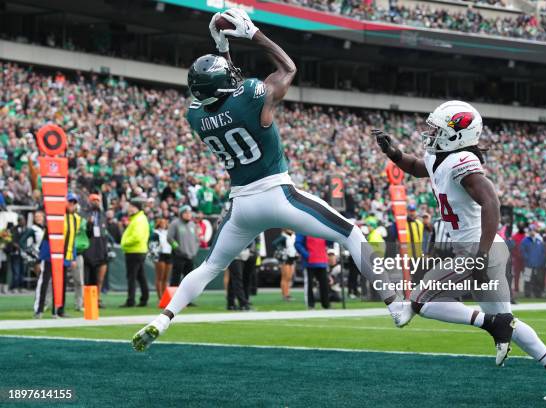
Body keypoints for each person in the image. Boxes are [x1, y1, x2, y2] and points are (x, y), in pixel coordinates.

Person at [133, 9, 408, 352]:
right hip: (279, 195)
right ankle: (395, 304)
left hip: (241, 206)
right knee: (351, 232)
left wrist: (221, 46)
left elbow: (218, 86)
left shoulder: (196, 116)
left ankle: (164, 318)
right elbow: (288, 68)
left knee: (210, 267)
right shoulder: (250, 95)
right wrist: (253, 34)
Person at [373, 100, 546, 401]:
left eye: (437, 128)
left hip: (478, 250)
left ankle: (491, 325)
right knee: (507, 321)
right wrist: (393, 153)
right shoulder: (440, 158)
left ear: (456, 135)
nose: (429, 132)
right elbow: (419, 168)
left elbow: (491, 202)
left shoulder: (462, 161)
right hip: (480, 249)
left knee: (420, 301)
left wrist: (479, 257)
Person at [120, 199, 150, 307]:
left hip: (134, 251)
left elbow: (136, 237)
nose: (128, 209)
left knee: (132, 277)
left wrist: (124, 243)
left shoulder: (138, 220)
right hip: (138, 250)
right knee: (140, 277)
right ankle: (144, 298)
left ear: (135, 207)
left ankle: (131, 300)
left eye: (130, 206)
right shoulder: (139, 218)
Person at [82, 194, 109, 308]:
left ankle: (97, 299)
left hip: (100, 248)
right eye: (93, 200)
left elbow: (104, 232)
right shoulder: (83, 214)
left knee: (100, 278)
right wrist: (89, 223)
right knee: (87, 278)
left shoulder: (103, 215)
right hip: (88, 248)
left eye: (97, 200)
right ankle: (85, 301)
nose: (96, 202)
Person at [295, 234, 331, 309]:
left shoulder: (321, 228)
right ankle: (310, 305)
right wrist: (307, 255)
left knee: (324, 284)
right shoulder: (303, 228)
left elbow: (328, 242)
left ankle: (326, 305)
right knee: (309, 284)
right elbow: (297, 244)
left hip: (322, 261)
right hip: (309, 263)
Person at [168, 205, 199, 286]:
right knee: (175, 279)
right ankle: (173, 298)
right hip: (179, 257)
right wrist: (178, 249)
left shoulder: (193, 225)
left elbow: (197, 240)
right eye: (186, 213)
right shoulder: (175, 223)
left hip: (190, 257)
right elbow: (170, 238)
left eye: (189, 213)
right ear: (181, 214)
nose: (188, 214)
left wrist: (194, 251)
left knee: (189, 280)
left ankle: (186, 298)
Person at [64, 193, 82, 310]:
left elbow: (72, 239)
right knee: (53, 281)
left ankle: (79, 305)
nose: (72, 204)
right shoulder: (60, 216)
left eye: (74, 202)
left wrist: (73, 257)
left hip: (70, 253)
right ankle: (46, 304)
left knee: (78, 280)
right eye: (70, 201)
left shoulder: (77, 219)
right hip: (59, 254)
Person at [520, 224, 546, 298]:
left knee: (538, 279)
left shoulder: (539, 241)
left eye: (534, 230)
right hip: (528, 264)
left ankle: (538, 293)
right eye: (531, 230)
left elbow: (542, 252)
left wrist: (542, 261)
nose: (532, 232)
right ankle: (527, 293)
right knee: (527, 279)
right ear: (529, 231)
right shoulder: (525, 241)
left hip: (538, 264)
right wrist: (527, 259)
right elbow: (522, 251)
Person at [272, 229, 297, 301]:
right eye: (289, 228)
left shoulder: (293, 236)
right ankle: (285, 295)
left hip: (291, 258)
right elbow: (274, 243)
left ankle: (288, 294)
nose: (291, 230)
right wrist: (282, 250)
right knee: (285, 277)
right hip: (285, 259)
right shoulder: (283, 236)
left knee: (289, 277)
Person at [152, 218, 173, 300]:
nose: (163, 224)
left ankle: (165, 297)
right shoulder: (155, 233)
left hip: (169, 255)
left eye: (165, 222)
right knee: (160, 277)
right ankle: (160, 298)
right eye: (161, 222)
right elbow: (152, 247)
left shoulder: (168, 232)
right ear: (158, 224)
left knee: (166, 278)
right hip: (160, 255)